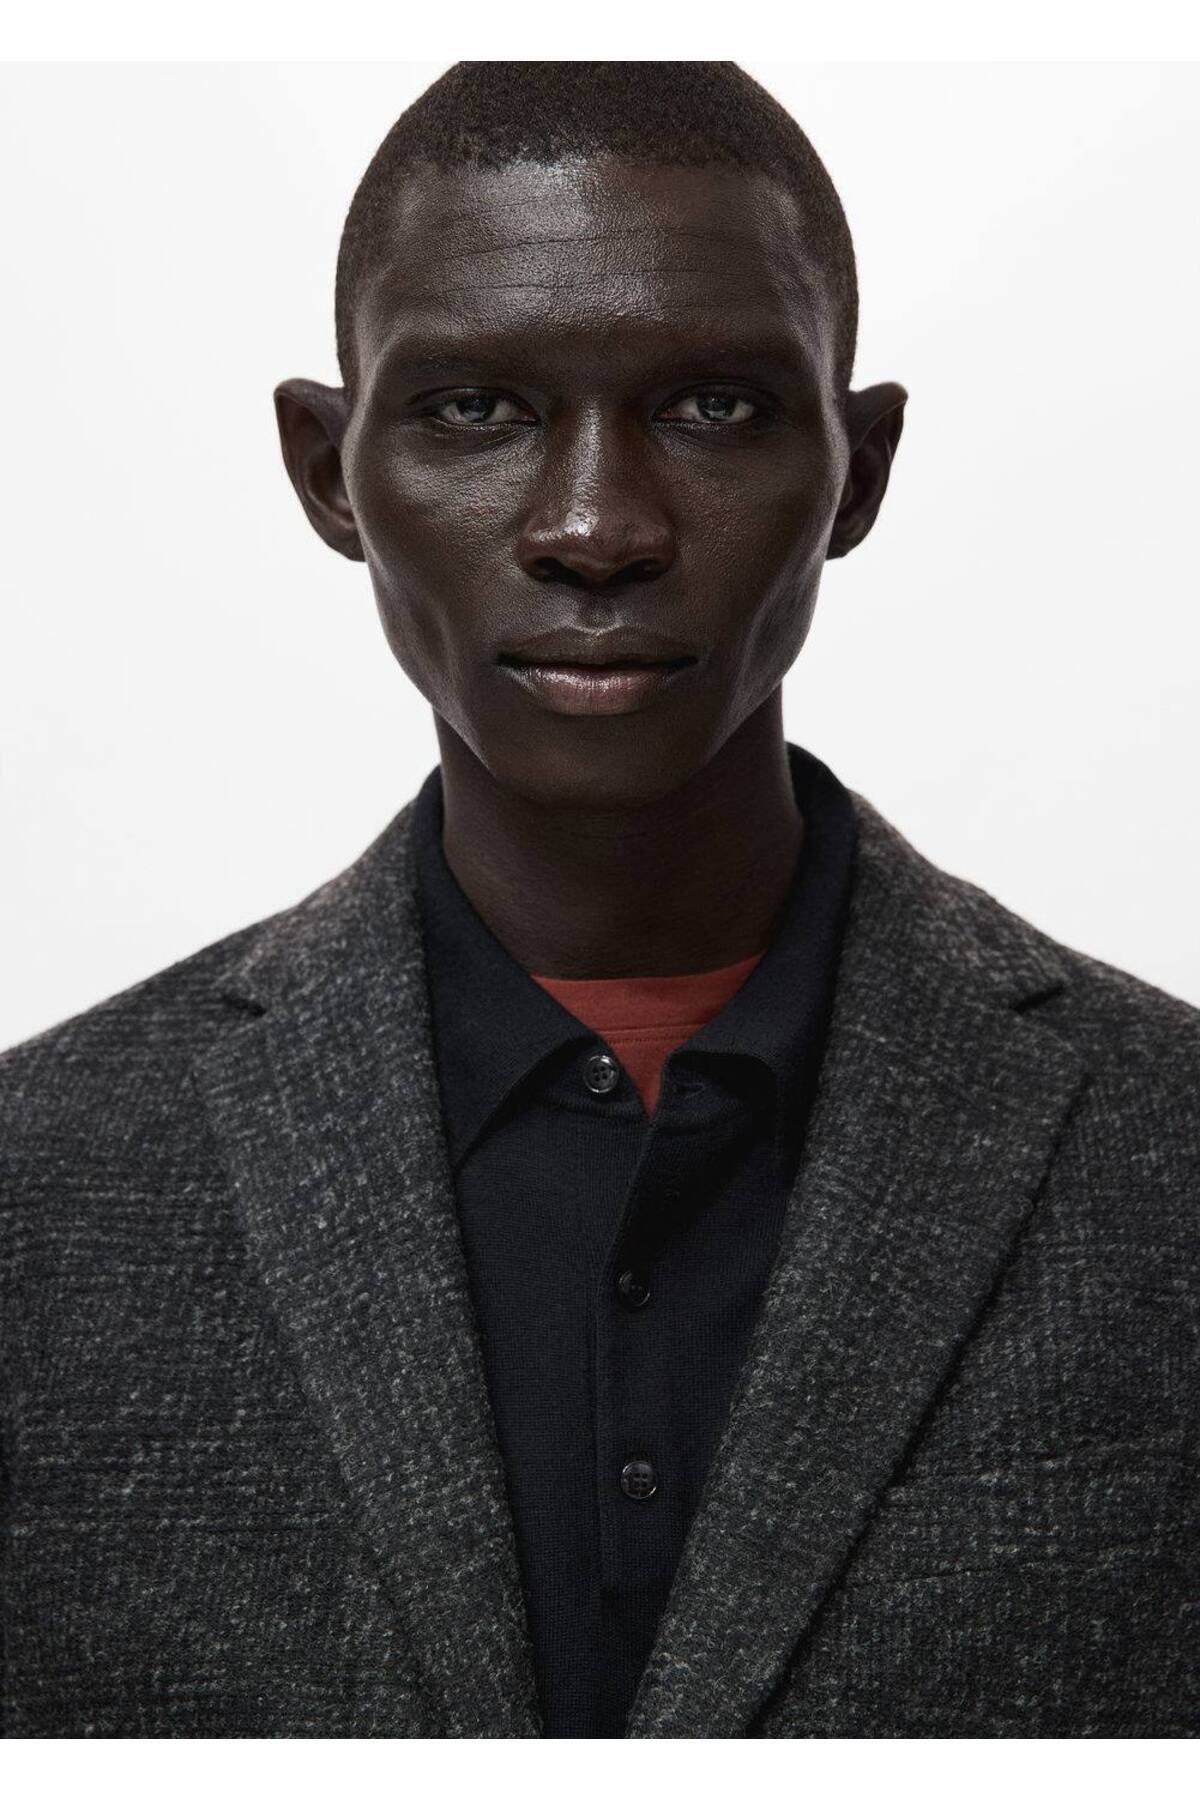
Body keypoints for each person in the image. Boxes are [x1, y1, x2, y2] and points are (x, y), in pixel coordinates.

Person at [1, 60, 1196, 1741]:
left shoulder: (1167, 1148)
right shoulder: (40, 1187)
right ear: (329, 472)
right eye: (475, 409)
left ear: (857, 472)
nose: (594, 529)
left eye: (714, 407)